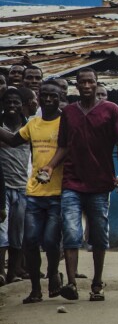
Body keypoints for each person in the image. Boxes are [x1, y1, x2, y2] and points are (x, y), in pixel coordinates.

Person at [41, 68, 118, 301]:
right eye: (82, 82)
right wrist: (51, 167)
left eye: (91, 81)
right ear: (77, 86)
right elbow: (63, 145)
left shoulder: (111, 110)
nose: (87, 85)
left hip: (101, 184)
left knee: (99, 235)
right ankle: (71, 283)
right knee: (71, 232)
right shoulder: (69, 112)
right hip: (71, 181)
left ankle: (97, 282)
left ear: (96, 83)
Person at [1, 82, 61, 303]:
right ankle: (35, 289)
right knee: (30, 241)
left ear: (60, 97)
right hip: (34, 191)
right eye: (43, 95)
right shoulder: (33, 124)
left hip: (58, 191)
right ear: (36, 99)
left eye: (52, 96)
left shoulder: (66, 122)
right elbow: (14, 140)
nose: (47, 99)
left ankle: (54, 273)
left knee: (51, 241)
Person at [0, 88, 30, 283]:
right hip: (2, 188)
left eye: (16, 102)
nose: (12, 106)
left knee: (17, 232)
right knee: (1, 231)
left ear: (22, 106)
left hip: (23, 187)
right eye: (8, 102)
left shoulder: (29, 128)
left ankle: (13, 272)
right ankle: (1, 272)